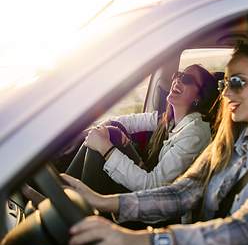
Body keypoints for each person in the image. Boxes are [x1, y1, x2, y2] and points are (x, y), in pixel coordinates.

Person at [63, 43, 248, 245]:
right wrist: (104, 201)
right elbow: (181, 193)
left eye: (238, 83)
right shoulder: (232, 143)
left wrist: (143, 242)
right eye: (225, 84)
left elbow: (245, 232)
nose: (225, 95)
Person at [66, 64, 219, 194]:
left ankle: (66, 197)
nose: (178, 80)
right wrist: (105, 129)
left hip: (156, 206)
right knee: (111, 130)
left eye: (186, 79)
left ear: (199, 97)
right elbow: (126, 121)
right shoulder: (169, 120)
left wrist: (106, 149)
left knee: (104, 141)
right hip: (146, 183)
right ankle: (65, 193)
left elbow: (153, 186)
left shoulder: (195, 134)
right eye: (178, 75)